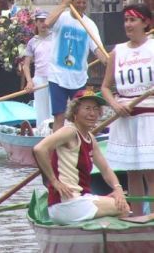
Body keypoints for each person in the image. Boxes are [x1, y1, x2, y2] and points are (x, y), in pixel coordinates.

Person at [33, 89, 129, 225]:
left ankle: (105, 239)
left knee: (120, 201)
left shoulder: (90, 138)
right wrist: (54, 181)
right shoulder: (70, 131)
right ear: (75, 112)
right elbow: (39, 149)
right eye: (87, 108)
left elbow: (106, 169)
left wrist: (117, 189)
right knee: (123, 207)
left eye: (96, 109)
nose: (92, 113)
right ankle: (118, 243)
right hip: (66, 203)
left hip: (80, 200)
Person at [101, 3, 154, 215]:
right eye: (126, 20)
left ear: (146, 22)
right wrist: (114, 104)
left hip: (149, 116)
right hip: (124, 116)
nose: (128, 24)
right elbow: (105, 87)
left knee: (150, 172)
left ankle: (152, 217)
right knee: (132, 172)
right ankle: (138, 215)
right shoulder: (118, 52)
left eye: (133, 20)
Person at [45, 0, 107, 132]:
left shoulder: (89, 24)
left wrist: (107, 61)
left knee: (81, 117)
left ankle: (81, 146)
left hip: (79, 79)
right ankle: (57, 150)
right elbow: (47, 23)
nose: (81, 5)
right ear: (71, 2)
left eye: (84, 3)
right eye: (77, 2)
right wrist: (63, 5)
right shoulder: (62, 18)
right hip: (57, 76)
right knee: (59, 116)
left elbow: (98, 49)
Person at [23, 10, 54, 129]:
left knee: (55, 109)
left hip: (55, 78)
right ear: (36, 23)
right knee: (41, 110)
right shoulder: (32, 42)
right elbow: (26, 65)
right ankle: (42, 133)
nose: (43, 24)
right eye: (40, 21)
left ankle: (56, 132)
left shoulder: (55, 38)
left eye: (45, 21)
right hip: (39, 79)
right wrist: (29, 81)